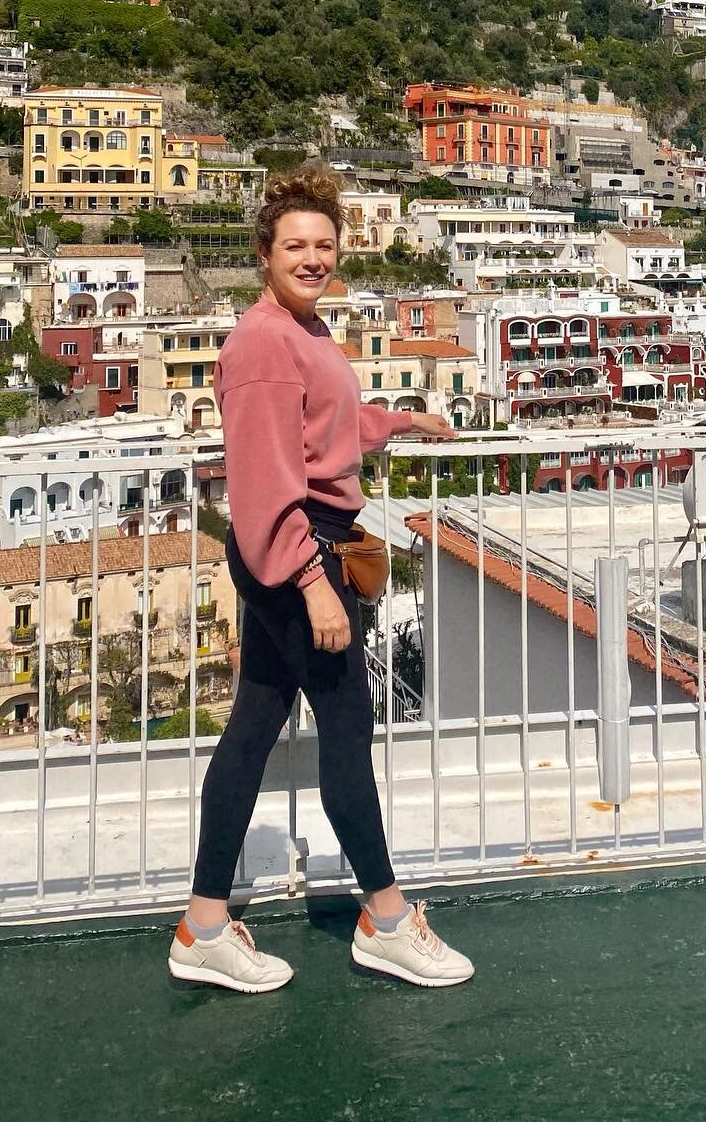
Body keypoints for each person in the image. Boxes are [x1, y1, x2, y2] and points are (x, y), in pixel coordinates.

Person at [169, 166, 475, 992]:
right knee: (346, 726)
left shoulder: (305, 330)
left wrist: (405, 420)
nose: (313, 258)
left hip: (297, 548)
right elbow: (267, 479)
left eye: (325, 245)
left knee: (253, 730)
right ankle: (384, 917)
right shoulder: (265, 342)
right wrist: (309, 581)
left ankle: (203, 925)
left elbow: (329, 432)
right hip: (300, 553)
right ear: (264, 253)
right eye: (296, 246)